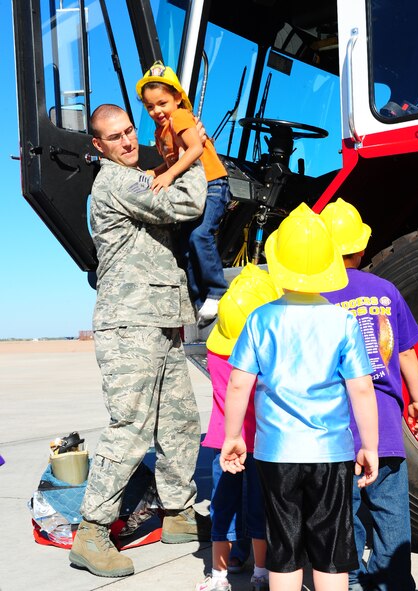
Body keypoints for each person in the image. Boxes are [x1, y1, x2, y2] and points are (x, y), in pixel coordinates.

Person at [69, 104, 211, 578]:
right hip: (130, 324)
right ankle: (91, 532)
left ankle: (178, 514)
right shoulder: (116, 181)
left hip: (162, 320)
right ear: (99, 146)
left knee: (180, 423)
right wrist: (193, 152)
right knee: (130, 425)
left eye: (130, 131)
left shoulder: (143, 176)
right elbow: (187, 204)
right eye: (116, 137)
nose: (128, 142)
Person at [220, 203, 380, 591]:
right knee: (330, 548)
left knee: (284, 546)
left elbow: (239, 382)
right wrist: (370, 445)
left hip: (277, 453)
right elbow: (361, 386)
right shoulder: (342, 320)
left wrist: (233, 437)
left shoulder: (261, 318)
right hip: (331, 452)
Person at [320, 197, 418, 591]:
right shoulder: (386, 289)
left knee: (343, 510)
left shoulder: (318, 297)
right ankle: (394, 581)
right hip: (386, 426)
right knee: (391, 509)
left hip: (339, 428)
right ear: (362, 247)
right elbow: (407, 352)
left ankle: (346, 579)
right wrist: (416, 399)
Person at [197, 263, 281, 591]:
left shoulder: (216, 351)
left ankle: (220, 574)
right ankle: (261, 572)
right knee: (260, 508)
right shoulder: (266, 354)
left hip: (222, 441)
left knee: (224, 509)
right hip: (260, 443)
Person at [136, 60, 230, 328]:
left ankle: (217, 291)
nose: (157, 110)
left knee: (201, 235)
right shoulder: (160, 131)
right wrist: (149, 175)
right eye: (150, 106)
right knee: (186, 246)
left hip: (212, 184)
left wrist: (167, 176)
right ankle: (198, 302)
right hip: (193, 189)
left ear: (177, 97)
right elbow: (170, 163)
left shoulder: (180, 117)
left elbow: (195, 150)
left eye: (162, 103)